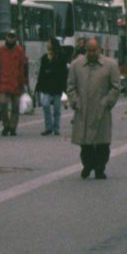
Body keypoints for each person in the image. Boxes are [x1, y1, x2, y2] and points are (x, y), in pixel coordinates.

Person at [66, 37, 120, 179]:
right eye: (89, 51)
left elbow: (116, 87)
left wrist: (107, 102)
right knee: (85, 143)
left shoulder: (110, 65)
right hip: (83, 109)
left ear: (99, 50)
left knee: (102, 143)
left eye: (94, 50)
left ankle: (100, 168)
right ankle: (88, 165)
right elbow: (70, 87)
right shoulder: (76, 65)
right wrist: (75, 101)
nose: (91, 53)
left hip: (101, 110)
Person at [0, 31, 29, 136]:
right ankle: (6, 125)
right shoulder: (0, 51)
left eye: (13, 37)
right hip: (3, 82)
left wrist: (23, 82)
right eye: (9, 36)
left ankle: (12, 127)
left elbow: (22, 67)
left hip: (15, 82)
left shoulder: (19, 51)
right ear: (6, 37)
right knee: (3, 105)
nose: (11, 39)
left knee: (15, 106)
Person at [35, 39, 67, 136]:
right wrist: (39, 85)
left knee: (57, 108)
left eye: (49, 43)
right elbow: (41, 72)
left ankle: (56, 128)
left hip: (57, 86)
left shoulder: (60, 57)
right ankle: (48, 127)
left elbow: (63, 72)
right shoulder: (44, 58)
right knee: (45, 104)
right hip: (47, 85)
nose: (47, 44)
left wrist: (64, 86)